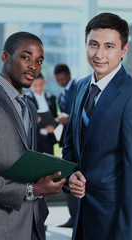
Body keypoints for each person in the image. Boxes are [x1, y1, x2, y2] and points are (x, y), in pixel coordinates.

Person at [0, 31, 67, 240]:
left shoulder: (30, 106)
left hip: (33, 223)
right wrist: (31, 189)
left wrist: (64, 177)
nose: (34, 66)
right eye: (26, 57)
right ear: (5, 57)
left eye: (39, 61)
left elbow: (27, 162)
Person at [64, 13, 132, 239]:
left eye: (109, 46)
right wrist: (71, 174)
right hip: (85, 221)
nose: (99, 54)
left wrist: (129, 235)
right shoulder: (81, 87)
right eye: (93, 45)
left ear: (124, 50)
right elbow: (70, 146)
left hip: (119, 226)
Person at [53, 63, 78, 228]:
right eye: (58, 80)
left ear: (68, 74)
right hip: (67, 141)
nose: (61, 82)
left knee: (73, 179)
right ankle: (73, 217)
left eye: (63, 79)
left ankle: (76, 218)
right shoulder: (61, 94)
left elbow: (77, 113)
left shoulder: (78, 88)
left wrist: (68, 118)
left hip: (76, 140)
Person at [27, 72, 58, 155]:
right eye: (35, 85)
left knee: (50, 164)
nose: (38, 88)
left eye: (41, 84)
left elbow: (55, 117)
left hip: (49, 138)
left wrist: (53, 126)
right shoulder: (26, 99)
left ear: (45, 82)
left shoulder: (51, 98)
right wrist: (33, 120)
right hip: (34, 140)